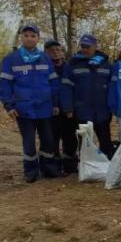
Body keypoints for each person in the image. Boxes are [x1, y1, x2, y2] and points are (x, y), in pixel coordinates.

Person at [0, 24, 62, 182]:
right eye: (26, 35)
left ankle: (49, 169)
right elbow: (4, 85)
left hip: (45, 108)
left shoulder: (45, 58)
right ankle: (31, 171)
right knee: (29, 142)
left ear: (37, 39)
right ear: (21, 37)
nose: (29, 38)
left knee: (48, 140)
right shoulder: (11, 59)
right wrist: (9, 105)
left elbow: (53, 82)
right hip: (24, 109)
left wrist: (55, 103)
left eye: (33, 36)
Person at [61, 34, 115, 158]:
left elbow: (112, 86)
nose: (84, 49)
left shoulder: (106, 63)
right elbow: (66, 87)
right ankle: (85, 166)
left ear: (95, 47)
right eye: (83, 46)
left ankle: (107, 167)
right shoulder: (73, 64)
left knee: (105, 141)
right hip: (82, 110)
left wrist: (112, 105)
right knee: (84, 142)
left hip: (102, 111)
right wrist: (68, 108)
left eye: (88, 47)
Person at [45, 39, 77, 174]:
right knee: (51, 139)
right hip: (49, 110)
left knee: (70, 138)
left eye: (58, 50)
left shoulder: (69, 68)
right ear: (46, 53)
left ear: (63, 53)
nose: (55, 53)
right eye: (51, 51)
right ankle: (54, 167)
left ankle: (70, 165)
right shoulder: (44, 68)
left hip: (67, 111)